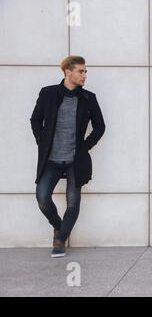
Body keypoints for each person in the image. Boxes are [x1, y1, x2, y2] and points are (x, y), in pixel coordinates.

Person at [30, 56, 105, 258]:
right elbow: (35, 119)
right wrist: (42, 140)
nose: (84, 75)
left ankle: (60, 240)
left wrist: (85, 147)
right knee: (42, 197)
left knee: (73, 202)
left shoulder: (88, 98)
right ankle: (58, 226)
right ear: (67, 72)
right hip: (51, 159)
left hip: (75, 160)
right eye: (81, 71)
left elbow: (100, 127)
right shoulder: (48, 94)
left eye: (85, 71)